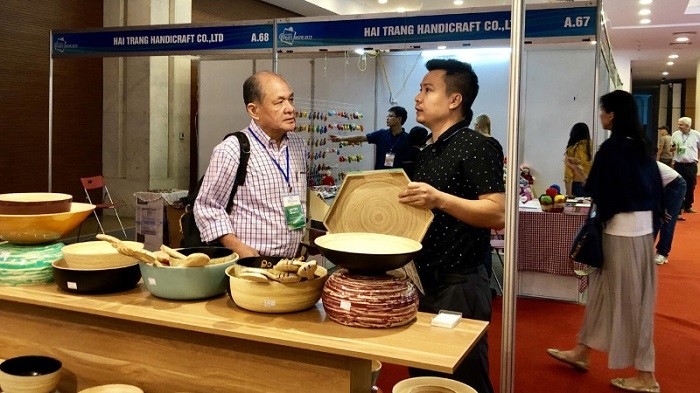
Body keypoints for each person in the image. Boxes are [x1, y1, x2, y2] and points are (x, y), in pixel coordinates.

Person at [398, 59, 505, 393]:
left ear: (454, 100)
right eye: (420, 89)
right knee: (424, 375)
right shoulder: (428, 151)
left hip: (460, 283)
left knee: (461, 378)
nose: (418, 97)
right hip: (423, 280)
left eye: (428, 89)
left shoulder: (477, 146)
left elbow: (497, 212)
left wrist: (439, 199)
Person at [547, 90, 663, 393]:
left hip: (620, 234)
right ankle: (582, 351)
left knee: (632, 304)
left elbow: (599, 190)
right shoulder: (641, 147)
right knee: (600, 294)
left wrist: (581, 174)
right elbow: (657, 186)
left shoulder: (612, 149)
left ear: (612, 115)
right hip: (637, 232)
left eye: (603, 111)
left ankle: (646, 375)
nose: (600, 116)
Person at [194, 71, 307, 259]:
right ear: (254, 110)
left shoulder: (298, 145)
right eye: (279, 102)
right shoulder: (231, 149)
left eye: (291, 99)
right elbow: (207, 206)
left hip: (292, 262)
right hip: (251, 265)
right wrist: (238, 248)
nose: (290, 109)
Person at [329, 106, 412, 170]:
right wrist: (342, 138)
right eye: (388, 116)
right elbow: (361, 138)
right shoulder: (381, 134)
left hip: (397, 178)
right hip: (379, 176)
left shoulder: (408, 139)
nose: (387, 118)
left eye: (390, 116)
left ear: (399, 119)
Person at [654, 161, 686, 265]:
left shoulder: (644, 165)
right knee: (654, 219)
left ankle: (663, 253)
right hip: (662, 186)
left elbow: (652, 189)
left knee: (667, 219)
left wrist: (661, 208)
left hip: (676, 185)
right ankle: (645, 251)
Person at [671, 116, 700, 215]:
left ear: (687, 126)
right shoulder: (675, 134)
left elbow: (699, 148)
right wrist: (674, 149)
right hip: (679, 164)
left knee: (691, 185)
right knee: (678, 184)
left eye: (681, 124)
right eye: (678, 124)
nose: (678, 126)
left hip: (691, 164)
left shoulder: (696, 135)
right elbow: (672, 147)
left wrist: (697, 160)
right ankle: (679, 206)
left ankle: (688, 205)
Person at [564, 122, 593, 197]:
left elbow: (568, 173)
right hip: (592, 184)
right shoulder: (593, 147)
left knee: (578, 208)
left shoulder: (572, 150)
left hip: (577, 186)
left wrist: (569, 194)